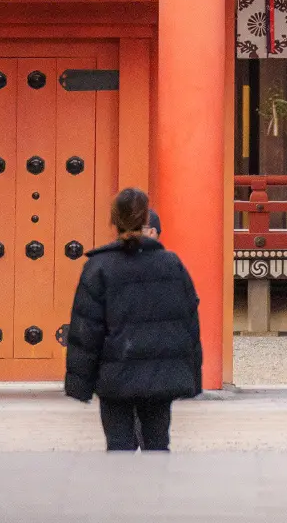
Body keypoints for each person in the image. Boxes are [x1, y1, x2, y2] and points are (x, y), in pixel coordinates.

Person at [65, 188, 202, 452]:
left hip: (116, 372)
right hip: (161, 374)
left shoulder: (100, 267)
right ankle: (157, 493)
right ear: (145, 221)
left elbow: (86, 330)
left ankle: (123, 493)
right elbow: (188, 322)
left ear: (114, 221)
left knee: (119, 448)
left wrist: (80, 382)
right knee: (157, 446)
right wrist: (191, 373)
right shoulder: (170, 264)